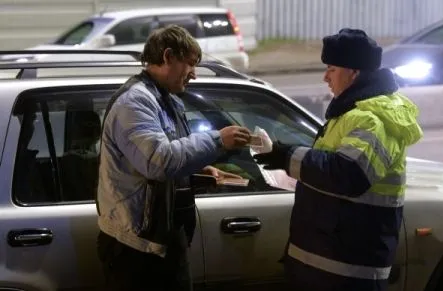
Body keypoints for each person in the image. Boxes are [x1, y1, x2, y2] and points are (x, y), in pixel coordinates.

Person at [253, 28, 423, 291]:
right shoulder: (349, 114)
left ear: (353, 72)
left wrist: (286, 156)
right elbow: (326, 170)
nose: (324, 77)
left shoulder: (373, 119)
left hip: (349, 272)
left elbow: (349, 174)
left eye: (331, 69)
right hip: (328, 263)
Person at [96, 24, 251, 291]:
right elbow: (159, 161)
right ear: (168, 56)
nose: (194, 75)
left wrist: (198, 171)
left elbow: (164, 156)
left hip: (162, 239)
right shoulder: (135, 102)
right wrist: (217, 140)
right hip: (136, 247)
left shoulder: (164, 99)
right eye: (190, 64)